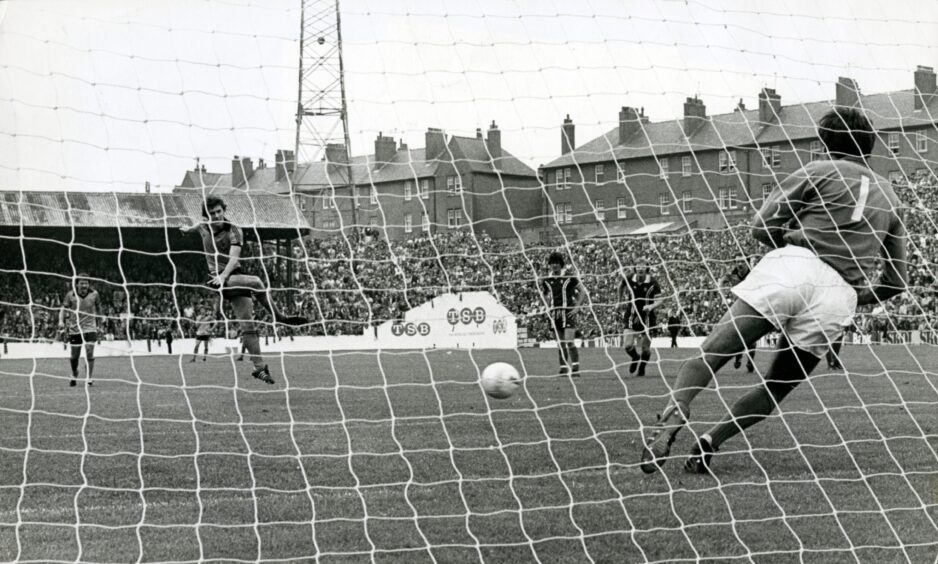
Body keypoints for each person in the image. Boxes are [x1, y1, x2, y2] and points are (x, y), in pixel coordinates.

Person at [640, 106, 908, 474]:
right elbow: (897, 281)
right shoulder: (891, 196)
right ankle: (710, 441)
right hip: (837, 297)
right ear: (870, 146)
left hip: (793, 267)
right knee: (774, 390)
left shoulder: (817, 170)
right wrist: (857, 295)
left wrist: (790, 236)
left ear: (823, 143)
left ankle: (675, 415)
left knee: (711, 353)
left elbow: (759, 226)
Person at [180, 195, 307, 384]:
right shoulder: (203, 227)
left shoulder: (234, 231)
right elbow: (195, 227)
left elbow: (233, 258)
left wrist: (224, 276)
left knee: (248, 325)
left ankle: (259, 368)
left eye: (219, 211)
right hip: (216, 279)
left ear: (224, 210)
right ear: (207, 215)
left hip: (231, 276)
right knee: (256, 281)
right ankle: (280, 318)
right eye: (212, 213)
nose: (216, 215)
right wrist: (185, 230)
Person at [539, 251, 586, 377]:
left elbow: (582, 291)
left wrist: (577, 308)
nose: (554, 265)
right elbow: (543, 294)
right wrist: (547, 307)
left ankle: (576, 369)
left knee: (569, 341)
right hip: (555, 314)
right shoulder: (547, 280)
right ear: (549, 265)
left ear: (561, 264)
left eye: (557, 263)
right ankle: (563, 369)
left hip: (568, 312)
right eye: (552, 263)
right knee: (560, 343)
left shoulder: (569, 277)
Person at [618, 264, 664, 377]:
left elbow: (660, 300)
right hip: (631, 315)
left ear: (647, 269)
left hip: (647, 317)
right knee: (628, 345)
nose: (640, 268)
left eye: (642, 267)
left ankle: (642, 367)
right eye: (638, 266)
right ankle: (635, 357)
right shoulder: (629, 278)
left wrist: (651, 307)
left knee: (645, 349)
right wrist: (619, 301)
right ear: (635, 269)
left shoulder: (653, 282)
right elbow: (620, 286)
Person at [58, 273, 100, 387]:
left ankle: (89, 377)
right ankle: (74, 372)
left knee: (90, 352)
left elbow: (99, 308)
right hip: (75, 329)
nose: (84, 285)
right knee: (74, 357)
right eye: (81, 283)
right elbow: (63, 308)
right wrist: (61, 321)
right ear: (77, 284)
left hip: (90, 327)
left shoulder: (95, 294)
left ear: (88, 284)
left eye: (86, 283)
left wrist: (100, 323)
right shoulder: (70, 295)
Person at [721, 261, 756, 373]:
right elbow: (721, 281)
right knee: (738, 336)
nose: (739, 264)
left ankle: (750, 362)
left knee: (752, 338)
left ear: (747, 263)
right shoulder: (732, 275)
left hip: (752, 308)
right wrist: (722, 296)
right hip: (737, 310)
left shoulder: (753, 274)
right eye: (737, 261)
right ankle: (738, 357)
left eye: (741, 261)